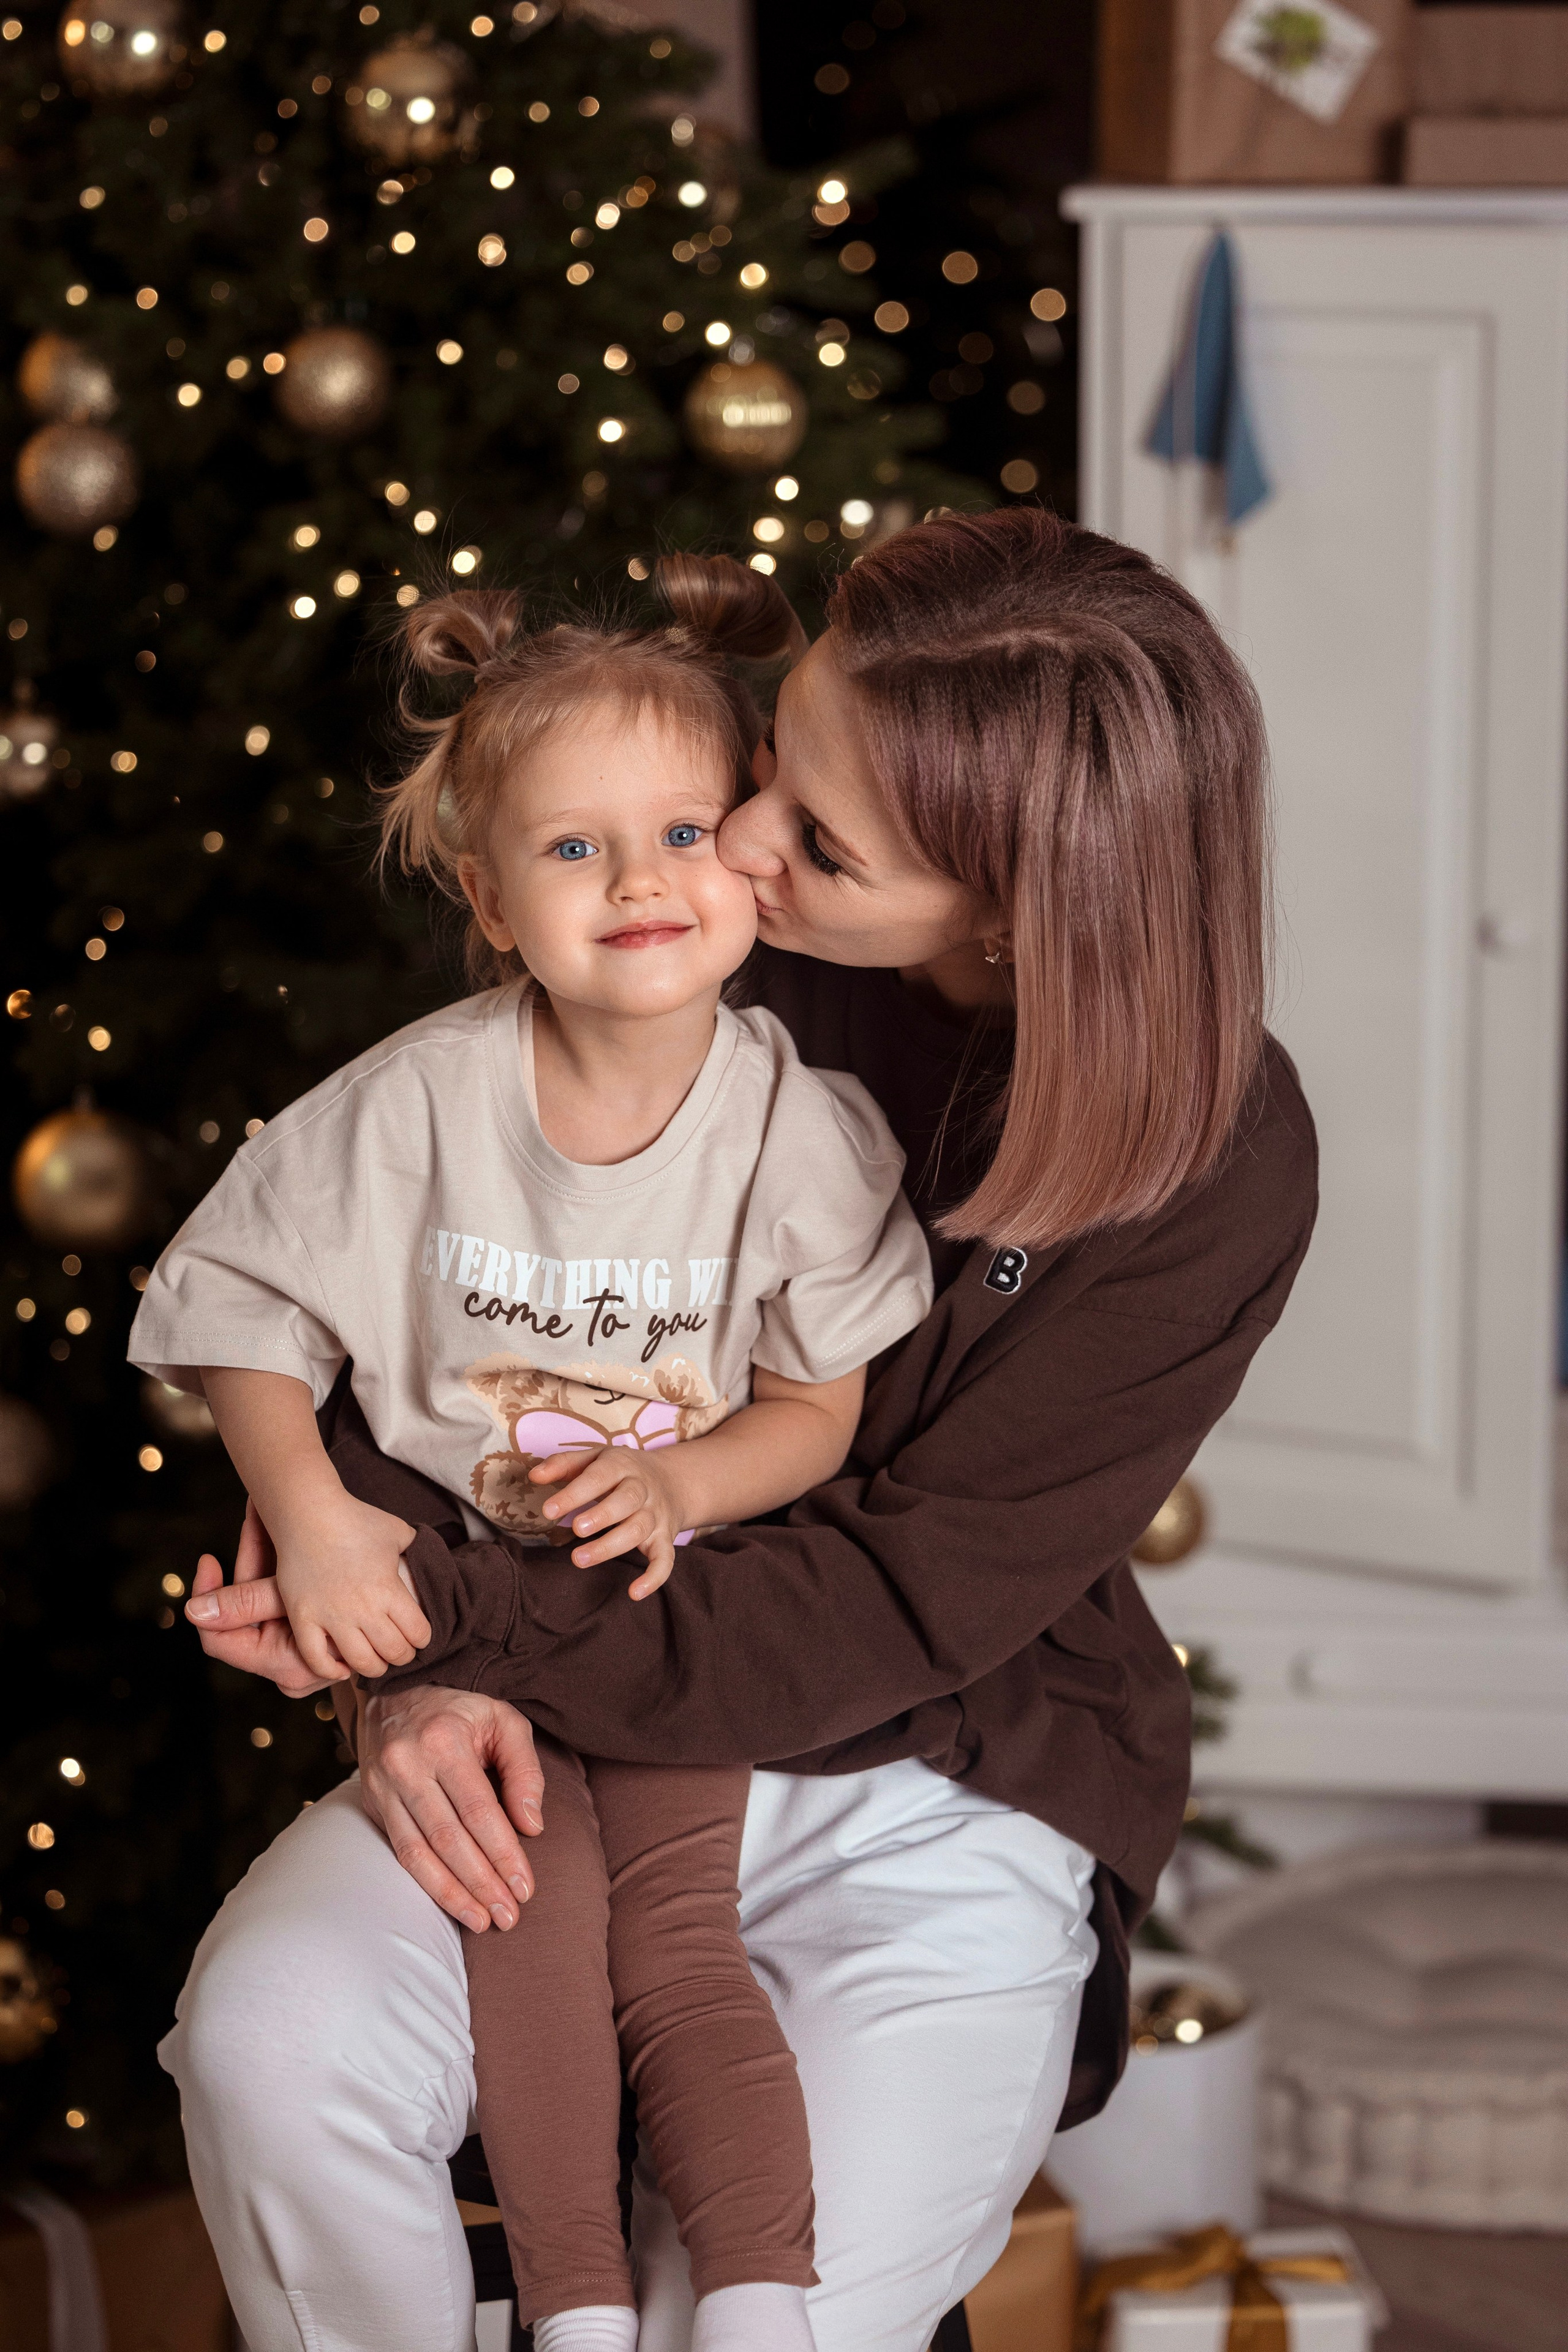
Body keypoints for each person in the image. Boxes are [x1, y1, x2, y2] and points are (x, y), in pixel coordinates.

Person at [167, 508, 1319, 2352]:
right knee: (269, 2051)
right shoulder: (687, 921)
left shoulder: (1214, 1161)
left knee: (763, 2295)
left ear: (1019, 908)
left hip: (942, 1754)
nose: (737, 850)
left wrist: (468, 1628)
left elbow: (903, 1599)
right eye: (773, 759)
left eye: (819, 838)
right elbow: (447, 1297)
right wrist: (398, 1654)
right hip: (551, 1687)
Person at [130, 562, 937, 2352]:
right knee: (526, 1934)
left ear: (751, 854)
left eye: (674, 831)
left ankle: (757, 2306)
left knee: (674, 1947)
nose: (639, 879)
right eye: (573, 853)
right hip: (463, 1632)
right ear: (490, 903)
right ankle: (573, 2311)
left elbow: (825, 1406)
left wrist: (685, 1483)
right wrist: (316, 1518)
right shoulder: (415, 1102)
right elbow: (231, 1307)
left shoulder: (800, 1129)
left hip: (667, 1619)